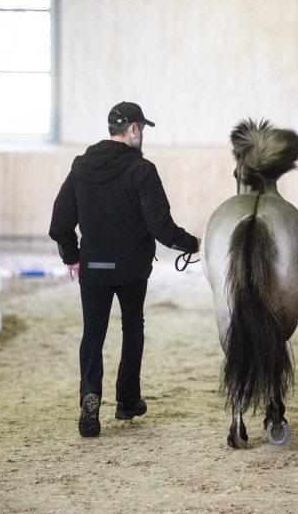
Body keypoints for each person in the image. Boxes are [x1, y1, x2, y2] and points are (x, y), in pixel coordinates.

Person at [49, 101, 201, 438]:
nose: (141, 135)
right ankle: (127, 401)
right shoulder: (142, 170)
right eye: (142, 129)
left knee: (93, 334)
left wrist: (71, 257)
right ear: (133, 129)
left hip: (94, 267)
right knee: (132, 327)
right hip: (132, 268)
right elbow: (162, 227)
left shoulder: (81, 167)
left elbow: (59, 224)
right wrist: (195, 244)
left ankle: (90, 395)